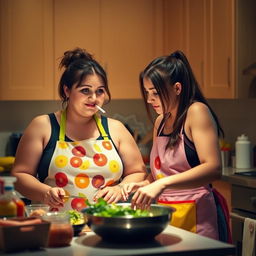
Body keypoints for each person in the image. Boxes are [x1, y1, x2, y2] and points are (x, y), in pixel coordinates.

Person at [11, 47, 146, 211]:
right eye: (85, 90)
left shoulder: (116, 129)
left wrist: (120, 188)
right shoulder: (43, 126)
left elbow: (137, 172)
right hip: (56, 226)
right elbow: (19, 176)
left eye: (100, 91)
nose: (94, 98)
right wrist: (45, 192)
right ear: (67, 90)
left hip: (106, 225)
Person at [121, 50, 224, 240]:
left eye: (156, 93)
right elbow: (161, 172)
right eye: (147, 93)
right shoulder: (161, 121)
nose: (150, 99)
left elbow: (213, 168)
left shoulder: (197, 112)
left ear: (177, 88)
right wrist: (144, 184)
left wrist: (161, 184)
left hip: (197, 217)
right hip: (165, 216)